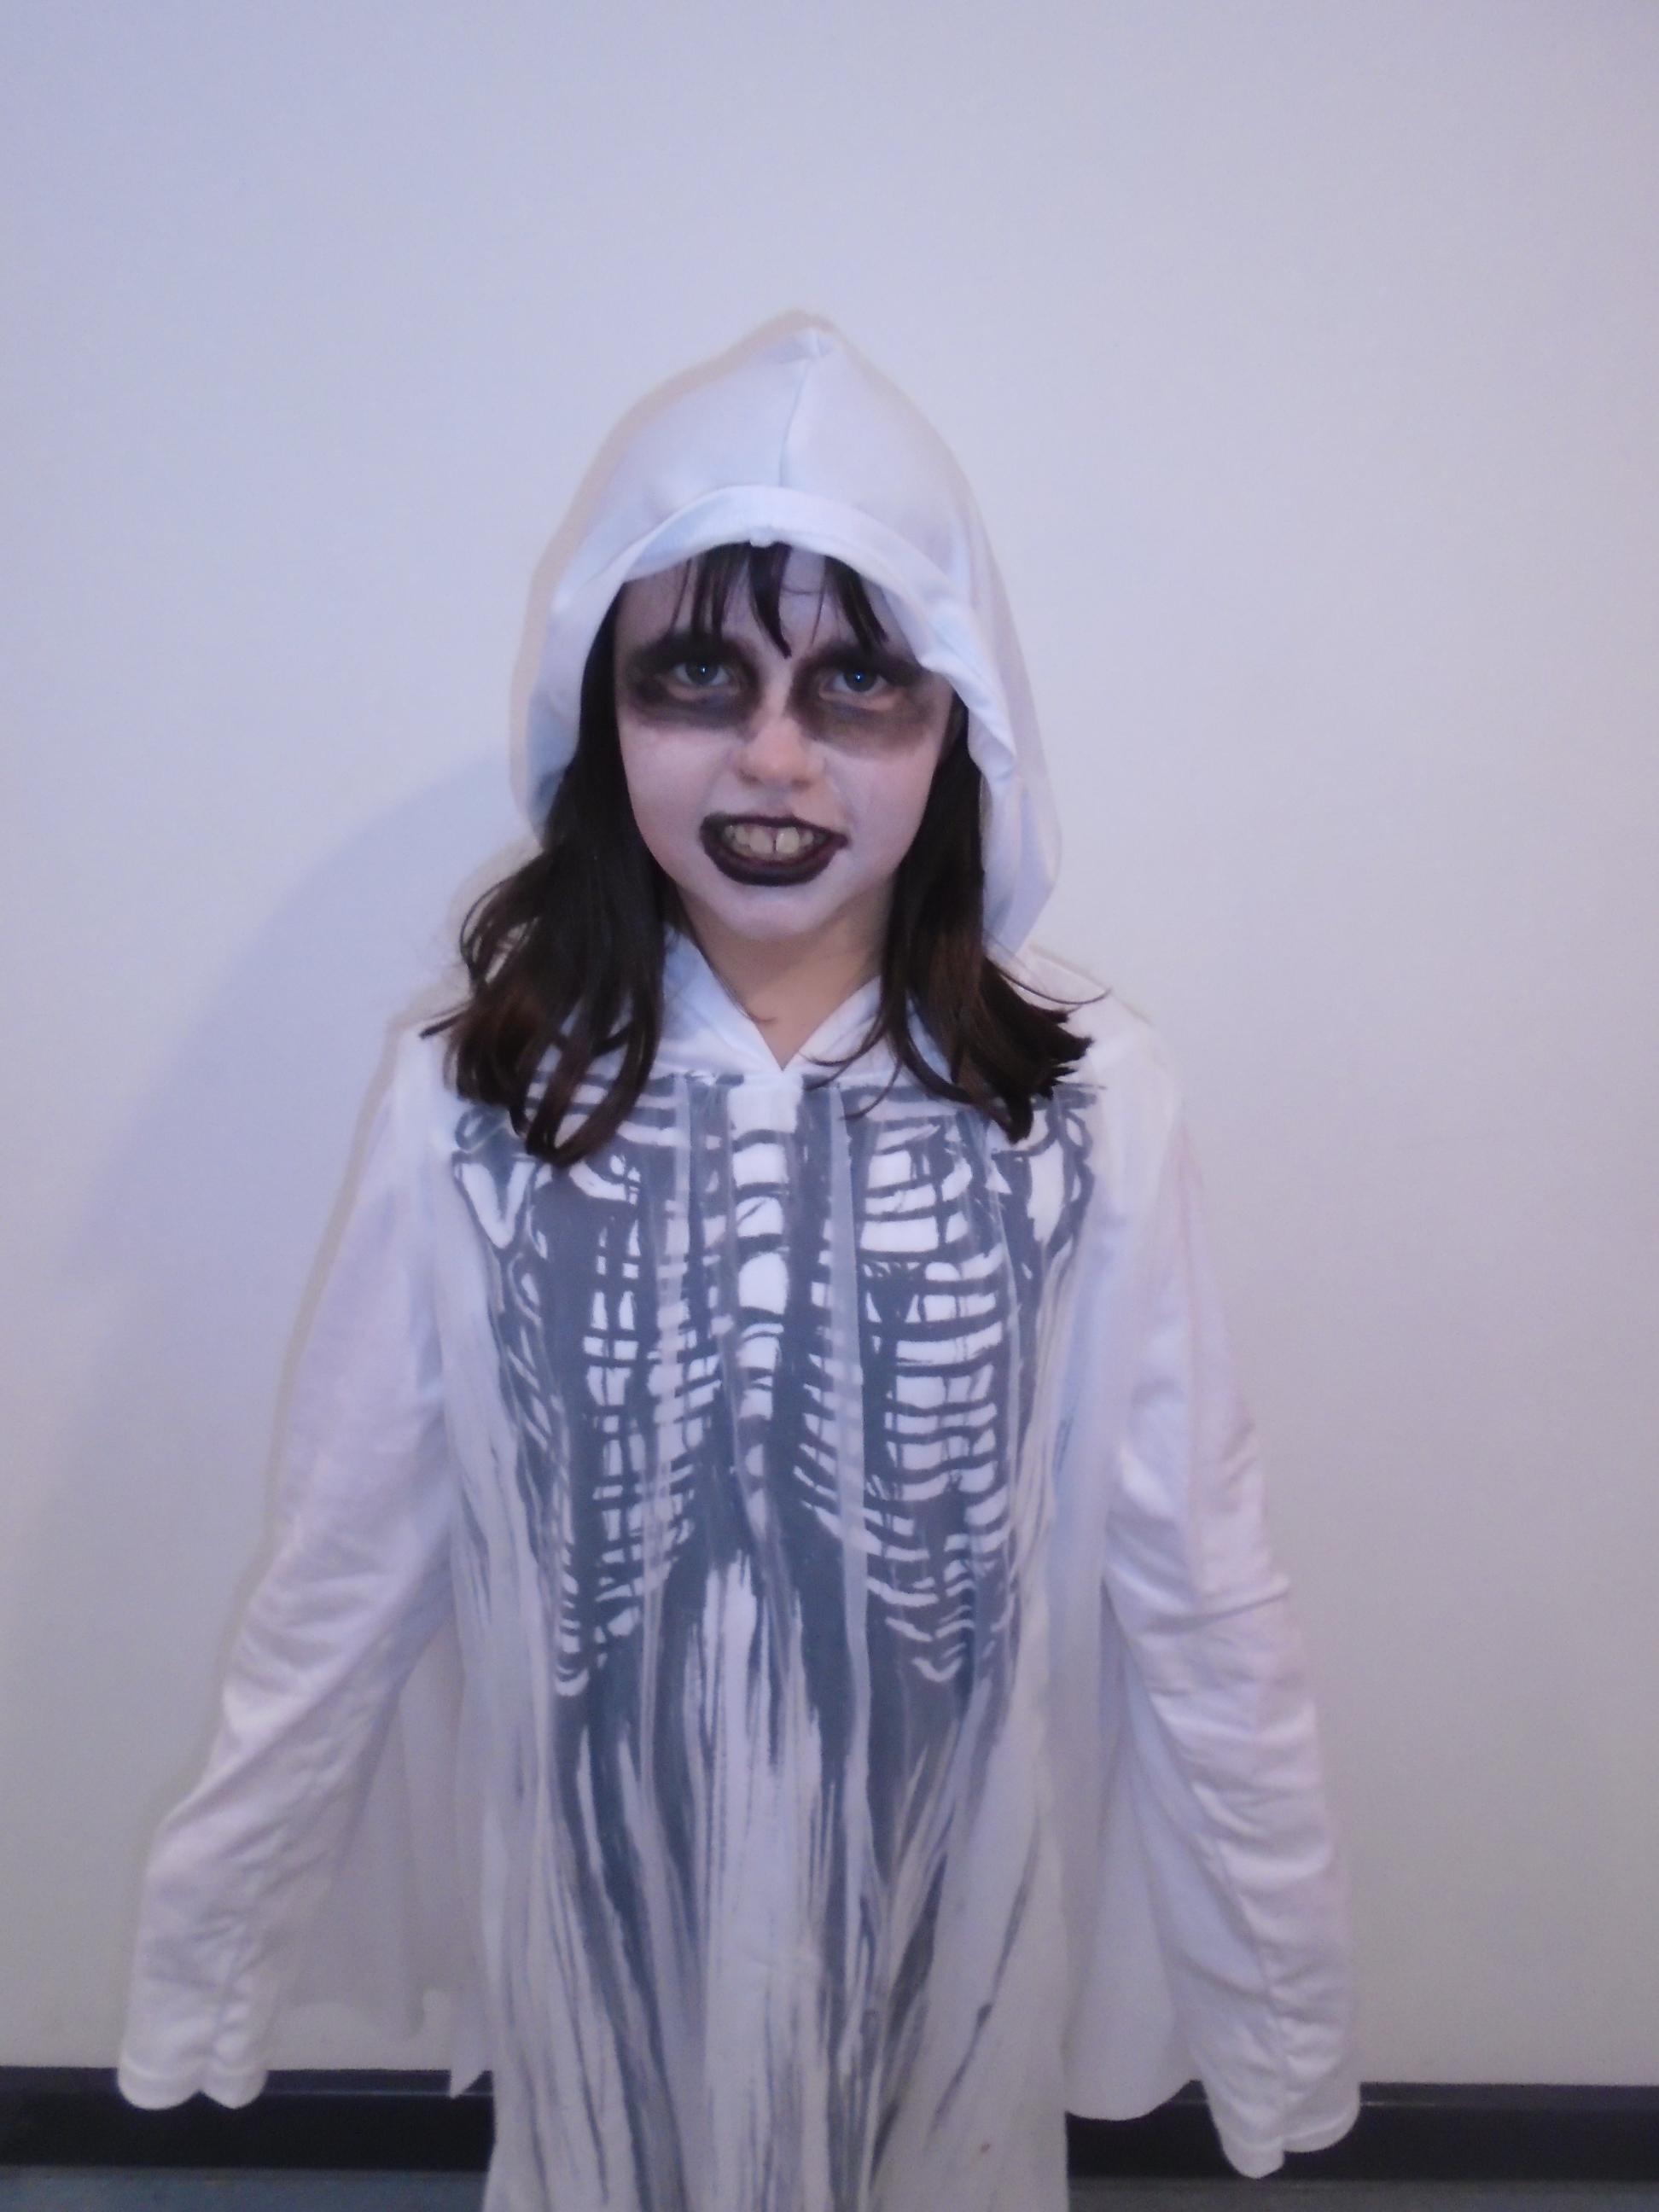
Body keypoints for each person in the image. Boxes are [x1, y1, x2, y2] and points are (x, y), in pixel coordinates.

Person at [116, 316, 1361, 2209]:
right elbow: (348, 1556)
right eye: (697, 674)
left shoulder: (1084, 1106)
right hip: (596, 1967)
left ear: (960, 721)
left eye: (858, 682)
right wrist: (211, 1961)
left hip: (946, 1975)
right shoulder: (476, 1104)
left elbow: (1200, 1578)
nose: (774, 757)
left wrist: (1278, 2009)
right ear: (600, 709)